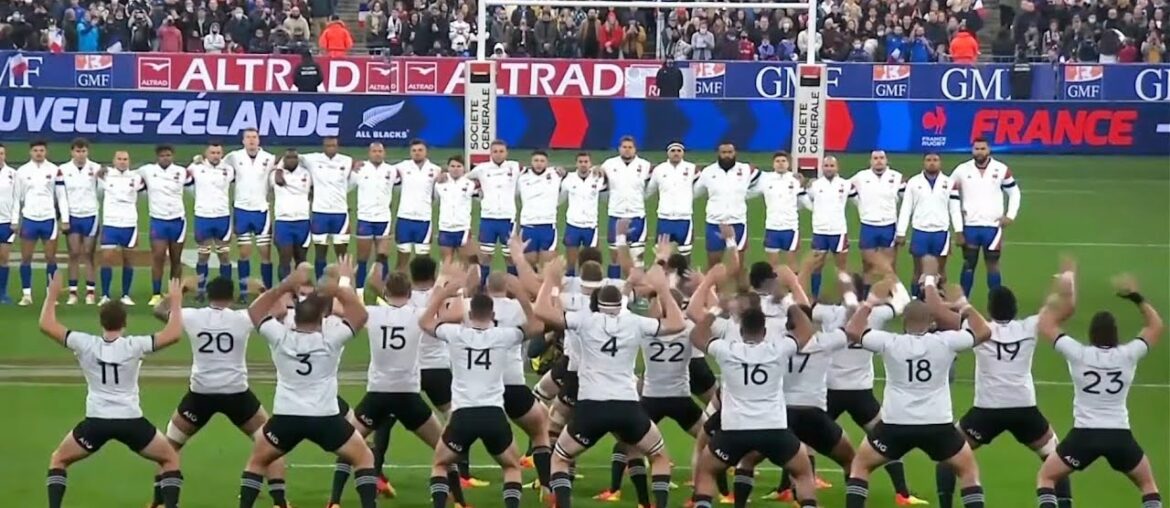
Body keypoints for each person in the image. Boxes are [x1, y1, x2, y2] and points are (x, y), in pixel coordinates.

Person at [535, 258, 686, 508]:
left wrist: (550, 278)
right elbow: (677, 324)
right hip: (627, 407)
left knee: (560, 458)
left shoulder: (585, 320)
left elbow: (541, 311)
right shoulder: (635, 322)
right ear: (621, 305)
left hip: (591, 408)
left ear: (597, 305)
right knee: (658, 456)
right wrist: (662, 289)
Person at [842, 267, 994, 508]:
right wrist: (963, 305)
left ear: (904, 323)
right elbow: (984, 331)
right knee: (968, 471)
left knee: (860, 466)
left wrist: (870, 302)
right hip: (937, 424)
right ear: (931, 322)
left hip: (895, 424)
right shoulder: (945, 342)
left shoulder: (891, 342)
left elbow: (852, 330)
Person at [237, 259, 375, 508]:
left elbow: (254, 311)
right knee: (364, 458)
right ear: (322, 318)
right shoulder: (331, 339)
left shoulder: (280, 337)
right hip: (325, 418)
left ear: (294, 317)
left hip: (286, 417)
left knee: (257, 462)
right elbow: (360, 315)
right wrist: (339, 288)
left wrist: (285, 285)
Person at [40, 274, 186, 508]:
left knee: (59, 459)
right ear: (124, 323)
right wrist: (176, 302)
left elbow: (47, 325)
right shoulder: (134, 345)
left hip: (96, 421)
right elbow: (174, 334)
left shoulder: (85, 343)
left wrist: (52, 296)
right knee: (170, 458)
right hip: (131, 421)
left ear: (101, 322)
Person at [930, 275, 1072, 508]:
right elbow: (1063, 308)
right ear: (1015, 308)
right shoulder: (1030, 326)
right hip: (1024, 410)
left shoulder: (980, 327)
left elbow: (937, 311)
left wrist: (938, 289)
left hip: (987, 411)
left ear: (990, 309)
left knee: (949, 455)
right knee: (1056, 460)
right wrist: (1066, 283)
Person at [150, 276, 290, 508]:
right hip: (236, 393)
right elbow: (280, 311)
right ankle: (280, 502)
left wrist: (180, 291)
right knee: (270, 444)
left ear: (208, 295)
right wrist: (262, 290)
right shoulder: (243, 317)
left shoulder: (192, 316)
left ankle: (159, 502)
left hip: (201, 394)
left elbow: (159, 311)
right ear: (232, 296)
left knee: (169, 446)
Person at [687, 264, 820, 508]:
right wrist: (787, 299)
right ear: (764, 330)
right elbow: (806, 330)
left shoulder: (727, 349)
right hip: (774, 429)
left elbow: (696, 335)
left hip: (734, 429)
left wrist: (716, 308)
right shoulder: (778, 348)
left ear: (740, 327)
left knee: (706, 470)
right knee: (802, 472)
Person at [1034, 262, 1162, 508]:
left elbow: (1046, 325)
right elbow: (1155, 326)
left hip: (1084, 435)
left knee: (1047, 477)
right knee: (1147, 485)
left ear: (1091, 333)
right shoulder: (1128, 355)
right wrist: (1136, 297)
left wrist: (1063, 292)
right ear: (1116, 334)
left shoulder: (1079, 354)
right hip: (1119, 436)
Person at [419, 268, 543, 508]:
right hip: (493, 415)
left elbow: (424, 322)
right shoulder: (503, 336)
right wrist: (520, 295)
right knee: (511, 467)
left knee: (440, 464)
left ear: (468, 314)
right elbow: (537, 326)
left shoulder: (455, 334)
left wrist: (444, 292)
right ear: (492, 314)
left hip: (463, 415)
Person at [326, 269, 448, 507]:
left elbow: (339, 306)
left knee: (349, 445)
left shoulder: (372, 313)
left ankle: (334, 501)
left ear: (385, 291)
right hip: (407, 396)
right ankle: (455, 501)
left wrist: (345, 279)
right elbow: (442, 309)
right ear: (410, 293)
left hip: (378, 395)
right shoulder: (418, 314)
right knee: (444, 448)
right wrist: (447, 287)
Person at [949, 138, 1021, 297]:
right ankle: (963, 302)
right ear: (972, 150)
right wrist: (958, 227)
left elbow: (1014, 192)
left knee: (993, 264)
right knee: (969, 264)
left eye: (983, 148)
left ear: (989, 150)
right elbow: (948, 192)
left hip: (993, 227)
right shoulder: (961, 170)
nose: (979, 152)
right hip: (970, 226)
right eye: (977, 149)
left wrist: (1010, 215)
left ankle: (996, 303)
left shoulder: (1001, 169)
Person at [15, 139, 69, 306]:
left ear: (46, 152)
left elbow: (61, 196)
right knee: (26, 257)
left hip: (48, 219)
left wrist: (65, 219)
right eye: (36, 150)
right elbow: (17, 198)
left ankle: (50, 295)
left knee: (51, 257)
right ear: (30, 152)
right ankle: (26, 294)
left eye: (41, 150)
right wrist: (15, 220)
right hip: (29, 218)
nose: (38, 153)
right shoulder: (22, 171)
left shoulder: (54, 170)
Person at [225, 129, 277, 301]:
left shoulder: (269, 158)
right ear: (243, 141)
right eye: (248, 137)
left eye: (254, 137)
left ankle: (268, 292)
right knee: (244, 253)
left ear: (259, 140)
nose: (251, 140)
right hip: (241, 210)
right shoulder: (234, 157)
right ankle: (244, 291)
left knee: (265, 253)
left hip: (261, 210)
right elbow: (219, 167)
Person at [896, 153, 955, 299]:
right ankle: (915, 300)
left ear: (940, 162)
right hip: (920, 232)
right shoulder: (914, 182)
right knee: (918, 271)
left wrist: (959, 230)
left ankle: (941, 301)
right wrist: (901, 232)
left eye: (935, 160)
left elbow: (954, 208)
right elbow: (906, 208)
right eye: (929, 160)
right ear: (924, 162)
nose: (932, 163)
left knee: (940, 271)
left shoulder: (948, 182)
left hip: (941, 232)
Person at [695, 141, 759, 268]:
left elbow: (763, 184)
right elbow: (695, 191)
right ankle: (713, 282)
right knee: (714, 264)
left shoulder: (746, 170)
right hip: (715, 223)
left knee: (739, 265)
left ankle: (739, 282)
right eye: (724, 152)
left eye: (730, 152)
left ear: (735, 153)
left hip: (738, 222)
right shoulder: (708, 172)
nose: (727, 155)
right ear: (718, 154)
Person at [139, 144, 189, 306]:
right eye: (162, 155)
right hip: (158, 220)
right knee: (158, 256)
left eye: (168, 155)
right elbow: (128, 176)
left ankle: (174, 294)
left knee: (176, 259)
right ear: (157, 157)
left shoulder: (181, 171)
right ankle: (156, 293)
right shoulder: (147, 171)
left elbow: (194, 179)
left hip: (177, 220)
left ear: (173, 156)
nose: (165, 158)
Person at [468, 140, 522, 283]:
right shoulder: (481, 169)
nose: (498, 154)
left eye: (501, 151)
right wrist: (477, 192)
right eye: (495, 151)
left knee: (510, 257)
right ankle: (482, 286)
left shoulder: (514, 167)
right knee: (485, 256)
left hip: (508, 219)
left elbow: (533, 172)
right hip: (488, 218)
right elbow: (465, 179)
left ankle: (512, 288)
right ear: (491, 153)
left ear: (506, 153)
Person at [599, 136, 652, 279]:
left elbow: (650, 188)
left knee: (638, 258)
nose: (627, 150)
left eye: (630, 147)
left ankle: (638, 288)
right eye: (624, 147)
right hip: (616, 216)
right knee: (615, 256)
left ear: (635, 149)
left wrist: (639, 199)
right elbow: (600, 186)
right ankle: (614, 286)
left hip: (637, 216)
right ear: (619, 149)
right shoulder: (608, 165)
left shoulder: (645, 166)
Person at [188, 143, 236, 301]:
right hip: (203, 216)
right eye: (212, 152)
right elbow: (184, 178)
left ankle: (226, 291)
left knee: (224, 255)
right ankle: (201, 290)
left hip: (222, 217)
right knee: (203, 256)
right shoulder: (196, 168)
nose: (215, 155)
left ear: (222, 154)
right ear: (206, 154)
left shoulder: (228, 169)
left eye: (218, 152)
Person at [301, 138, 353, 279]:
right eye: (328, 145)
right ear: (323, 146)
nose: (331, 148)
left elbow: (355, 172)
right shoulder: (312, 159)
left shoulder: (347, 160)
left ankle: (344, 284)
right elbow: (291, 157)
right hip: (320, 213)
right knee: (320, 252)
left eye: (333, 145)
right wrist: (279, 169)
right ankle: (320, 283)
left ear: (338, 146)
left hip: (340, 213)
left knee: (342, 253)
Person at [96, 152, 144, 305]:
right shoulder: (105, 175)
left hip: (129, 223)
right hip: (110, 223)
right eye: (119, 159)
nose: (122, 162)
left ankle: (126, 295)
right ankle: (105, 295)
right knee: (106, 258)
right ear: (114, 160)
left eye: (125, 159)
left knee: (128, 260)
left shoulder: (136, 177)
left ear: (129, 161)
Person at [349, 142, 398, 293]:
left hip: (384, 219)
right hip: (365, 218)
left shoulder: (392, 170)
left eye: (380, 151)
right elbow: (346, 188)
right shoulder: (360, 170)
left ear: (384, 153)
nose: (377, 154)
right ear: (369, 153)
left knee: (382, 257)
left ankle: (385, 291)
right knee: (362, 258)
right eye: (374, 151)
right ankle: (359, 291)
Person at [805, 155, 855, 297]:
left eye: (832, 166)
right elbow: (807, 201)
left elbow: (857, 200)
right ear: (822, 168)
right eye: (826, 166)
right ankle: (815, 296)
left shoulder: (845, 184)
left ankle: (844, 297)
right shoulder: (814, 185)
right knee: (816, 266)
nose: (829, 169)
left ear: (837, 168)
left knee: (841, 268)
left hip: (838, 231)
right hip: (819, 231)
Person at [851, 150, 905, 284]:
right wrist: (860, 205)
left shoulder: (896, 177)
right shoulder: (861, 177)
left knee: (889, 264)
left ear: (886, 160)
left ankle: (890, 291)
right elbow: (845, 188)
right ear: (870, 161)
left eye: (881, 158)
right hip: (868, 225)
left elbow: (907, 197)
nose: (879, 161)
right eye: (875, 158)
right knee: (867, 263)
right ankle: (867, 292)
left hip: (889, 225)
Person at [59, 138, 101, 305]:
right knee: (74, 253)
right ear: (72, 152)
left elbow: (103, 190)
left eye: (83, 151)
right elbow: (61, 196)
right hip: (72, 215)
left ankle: (90, 292)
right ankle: (73, 292)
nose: (81, 154)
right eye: (77, 151)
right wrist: (64, 218)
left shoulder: (96, 168)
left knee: (89, 254)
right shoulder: (63, 169)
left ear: (87, 152)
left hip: (90, 215)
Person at [393, 139, 443, 271]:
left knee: (423, 262)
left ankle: (422, 284)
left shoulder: (436, 170)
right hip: (404, 218)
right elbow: (384, 172)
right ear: (410, 152)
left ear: (426, 151)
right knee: (402, 260)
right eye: (414, 150)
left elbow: (438, 193)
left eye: (420, 150)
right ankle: (399, 284)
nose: (417, 153)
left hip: (424, 220)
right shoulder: (402, 167)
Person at [646, 142, 698, 258]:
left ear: (683, 153)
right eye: (673, 151)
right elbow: (650, 189)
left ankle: (683, 271)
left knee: (685, 255)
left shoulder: (691, 169)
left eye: (679, 151)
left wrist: (686, 200)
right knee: (661, 255)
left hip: (684, 218)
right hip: (665, 218)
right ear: (668, 153)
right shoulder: (659, 169)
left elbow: (698, 189)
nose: (676, 153)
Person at [755, 151, 805, 268]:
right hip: (772, 227)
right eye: (777, 161)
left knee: (792, 264)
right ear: (773, 164)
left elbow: (803, 200)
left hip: (791, 227)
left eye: (783, 161)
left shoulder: (795, 180)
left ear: (788, 163)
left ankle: (793, 281)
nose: (780, 163)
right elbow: (750, 191)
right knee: (773, 266)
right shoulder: (765, 180)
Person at [560, 152, 605, 276]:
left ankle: (589, 282)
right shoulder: (568, 179)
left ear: (590, 163)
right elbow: (560, 198)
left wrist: (600, 169)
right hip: (573, 225)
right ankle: (570, 282)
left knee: (592, 261)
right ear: (576, 163)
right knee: (571, 262)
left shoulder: (598, 177)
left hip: (590, 225)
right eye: (580, 162)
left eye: (586, 162)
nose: (583, 164)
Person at [271, 150, 313, 281]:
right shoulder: (275, 174)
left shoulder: (307, 174)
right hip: (283, 221)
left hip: (302, 221)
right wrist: (279, 168)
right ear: (283, 160)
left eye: (294, 157)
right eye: (288, 157)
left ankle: (300, 289)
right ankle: (285, 289)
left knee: (301, 259)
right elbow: (278, 182)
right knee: (285, 258)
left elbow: (314, 190)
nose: (292, 160)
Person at [517, 150, 564, 267]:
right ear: (531, 162)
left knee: (547, 265)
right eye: (536, 160)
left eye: (542, 161)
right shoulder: (522, 177)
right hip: (528, 225)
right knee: (529, 264)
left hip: (547, 225)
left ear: (547, 163)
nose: (539, 163)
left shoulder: (556, 175)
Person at [435, 156, 477, 263]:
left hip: (462, 228)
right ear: (448, 168)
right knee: (446, 262)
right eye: (452, 166)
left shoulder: (470, 184)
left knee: (464, 263)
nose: (455, 169)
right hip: (445, 228)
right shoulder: (440, 183)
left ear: (464, 168)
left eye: (459, 166)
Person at [0, 144, 15, 304]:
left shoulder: (13, 174)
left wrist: (15, 220)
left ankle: (2, 293)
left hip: (6, 223)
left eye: (1, 153)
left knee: (3, 258)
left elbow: (18, 199)